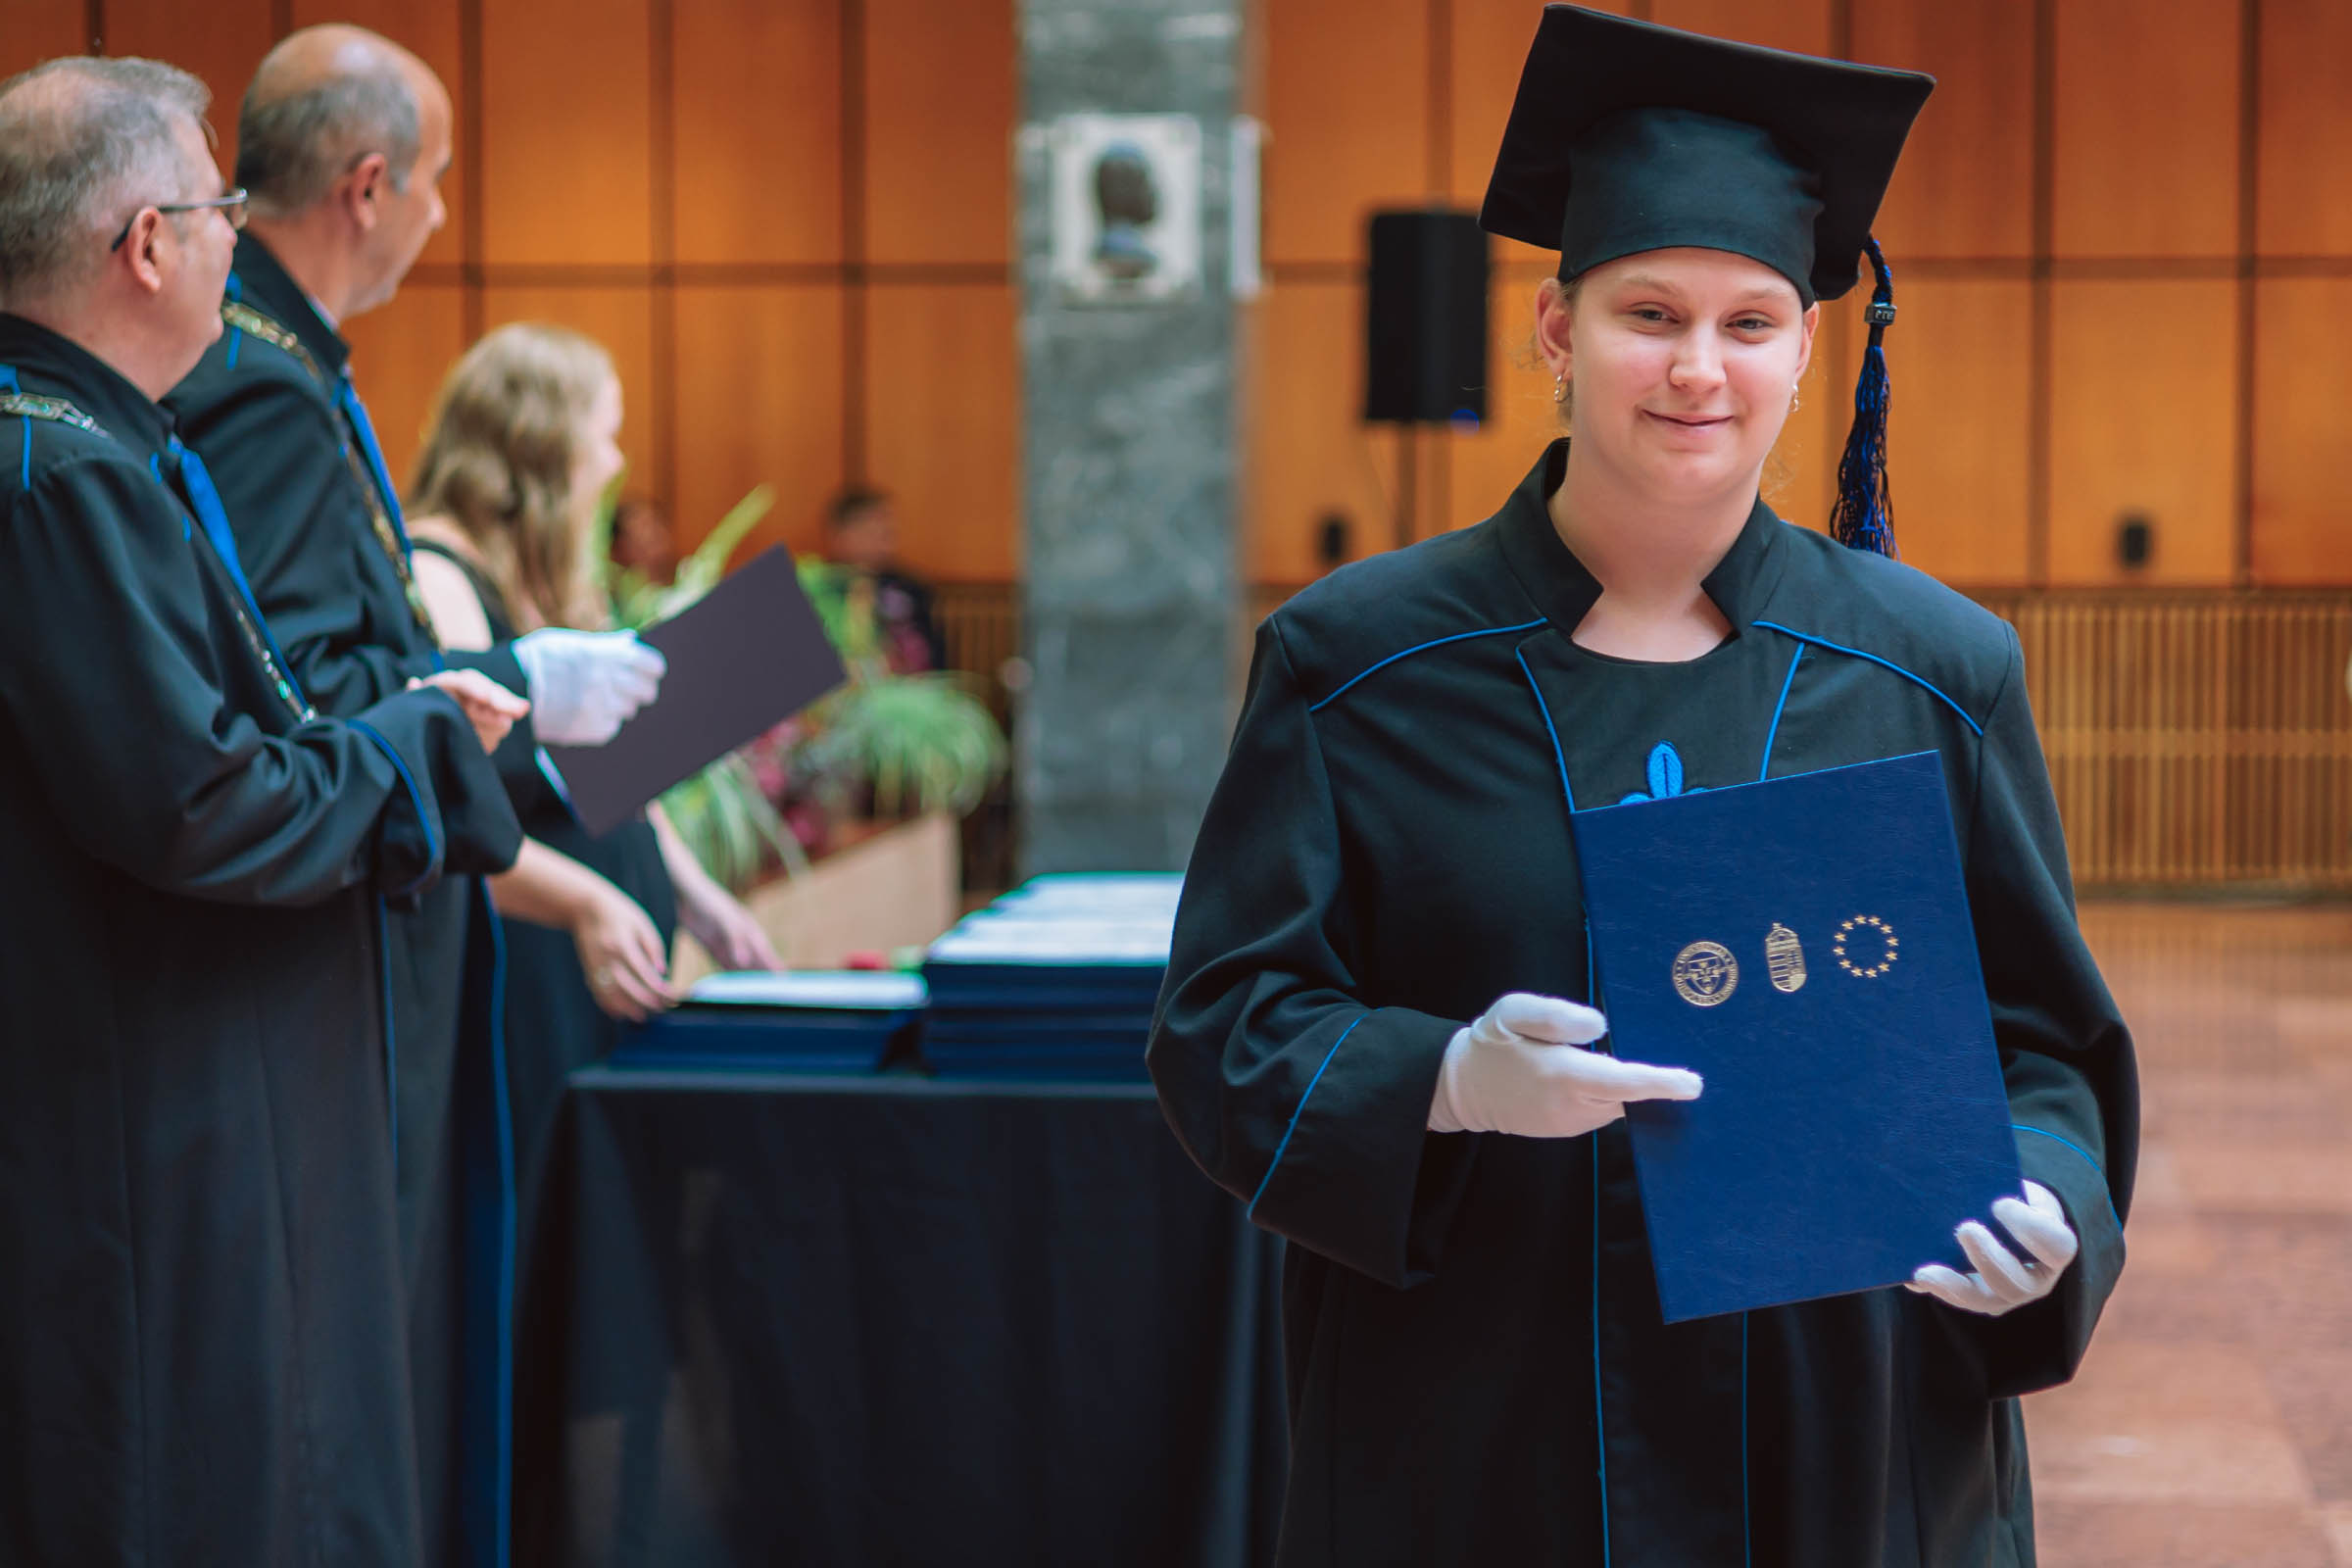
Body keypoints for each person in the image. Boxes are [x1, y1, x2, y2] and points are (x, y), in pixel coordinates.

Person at [1148, 11, 2136, 1564]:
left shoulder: (1934, 670)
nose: (1697, 367)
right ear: (1556, 327)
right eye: (1649, 313)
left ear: (1806, 353)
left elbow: (2046, 1046)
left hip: (1849, 1424)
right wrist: (1445, 1080)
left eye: (1751, 323)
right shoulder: (1358, 667)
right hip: (1481, 1430)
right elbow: (1223, 1025)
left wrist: (2051, 1201)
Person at [0, 56, 528, 1564]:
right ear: (146, 245)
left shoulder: (89, 440)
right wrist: (419, 745)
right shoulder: (60, 472)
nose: (240, 235)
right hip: (146, 1107)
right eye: (220, 204)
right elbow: (198, 800)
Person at [159, 28, 667, 1565]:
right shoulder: (261, 379)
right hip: (342, 959)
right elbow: (310, 688)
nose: (444, 214)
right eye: (438, 182)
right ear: (370, 187)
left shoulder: (288, 360)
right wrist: (515, 675)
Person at [402, 321, 780, 1262]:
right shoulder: (438, 573)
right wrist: (586, 902)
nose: (613, 463)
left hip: (595, 955)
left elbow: (615, 774)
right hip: (527, 962)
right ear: (538, 444)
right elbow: (453, 792)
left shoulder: (545, 572)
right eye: (602, 436)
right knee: (540, 1227)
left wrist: (699, 897)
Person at [822, 483, 947, 672]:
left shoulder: (911, 587)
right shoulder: (819, 586)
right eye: (871, 531)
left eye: (888, 532)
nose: (886, 543)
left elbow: (935, 655)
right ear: (839, 535)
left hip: (907, 683)